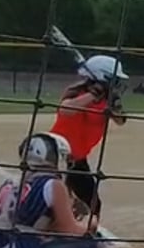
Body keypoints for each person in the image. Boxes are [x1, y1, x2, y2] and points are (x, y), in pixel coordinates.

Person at [49, 54, 129, 220]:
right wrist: (92, 95)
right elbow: (65, 110)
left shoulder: (107, 99)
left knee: (91, 204)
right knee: (54, 202)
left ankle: (77, 229)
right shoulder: (77, 92)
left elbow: (121, 121)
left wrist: (114, 106)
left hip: (78, 158)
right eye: (114, 79)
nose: (117, 84)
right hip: (56, 155)